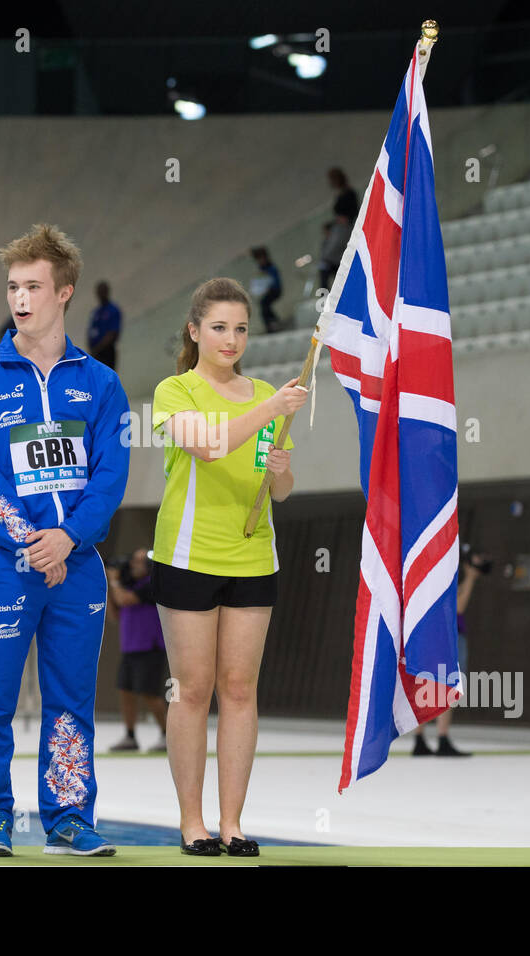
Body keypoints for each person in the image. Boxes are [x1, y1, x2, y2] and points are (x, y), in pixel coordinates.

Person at [0, 223, 130, 857]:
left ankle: (68, 819)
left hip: (79, 568)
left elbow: (110, 477)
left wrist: (70, 539)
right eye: (13, 287)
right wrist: (36, 541)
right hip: (8, 565)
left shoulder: (102, 385)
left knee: (70, 701)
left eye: (33, 286)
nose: (21, 299)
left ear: (65, 292)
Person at [150, 277, 309, 857]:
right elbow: (209, 445)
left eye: (240, 328)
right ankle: (192, 823)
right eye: (219, 327)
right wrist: (271, 408)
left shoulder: (265, 391)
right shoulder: (175, 391)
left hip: (253, 556)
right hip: (188, 556)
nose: (231, 338)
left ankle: (232, 822)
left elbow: (282, 490)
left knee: (240, 689)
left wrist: (281, 467)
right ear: (195, 332)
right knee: (192, 690)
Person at [413, 551, 485, 757]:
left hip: (431, 637)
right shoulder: (443, 580)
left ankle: (419, 740)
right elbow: (459, 607)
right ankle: (442, 738)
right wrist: (470, 577)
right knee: (448, 688)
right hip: (449, 638)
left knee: (428, 689)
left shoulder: (429, 582)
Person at [107, 546, 168, 753]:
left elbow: (125, 599)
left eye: (138, 562)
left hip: (150, 646)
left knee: (150, 693)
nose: (132, 565)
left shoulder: (151, 584)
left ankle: (168, 735)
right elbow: (115, 613)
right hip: (131, 647)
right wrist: (112, 586)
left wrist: (114, 580)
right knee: (126, 691)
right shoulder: (129, 585)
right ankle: (130, 735)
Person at [318, 168, 358, 291]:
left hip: (344, 230)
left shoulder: (349, 193)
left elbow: (353, 212)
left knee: (328, 258)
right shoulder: (340, 194)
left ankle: (327, 294)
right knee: (333, 262)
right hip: (338, 229)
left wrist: (343, 219)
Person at [87, 281, 122, 370]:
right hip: (95, 354)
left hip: (107, 353)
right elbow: (91, 331)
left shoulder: (113, 310)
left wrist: (98, 349)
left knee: (107, 379)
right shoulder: (96, 313)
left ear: (107, 292)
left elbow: (113, 333)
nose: (101, 294)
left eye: (103, 291)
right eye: (99, 292)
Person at [249, 247, 283, 334]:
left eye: (260, 259)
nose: (260, 261)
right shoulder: (261, 268)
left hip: (275, 290)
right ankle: (271, 323)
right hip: (268, 290)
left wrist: (269, 287)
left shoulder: (271, 267)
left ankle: (273, 322)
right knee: (264, 306)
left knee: (264, 305)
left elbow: (275, 281)